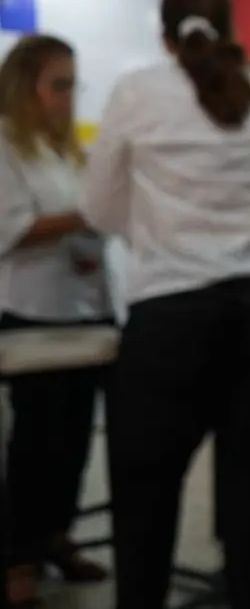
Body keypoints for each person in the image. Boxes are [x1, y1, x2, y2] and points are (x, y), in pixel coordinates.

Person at [79, 0, 250, 609]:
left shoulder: (136, 91)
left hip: (178, 312)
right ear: (233, 29)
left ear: (166, 38)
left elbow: (99, 207)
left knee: (146, 488)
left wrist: (161, 230)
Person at [0, 35, 112, 605]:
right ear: (25, 87)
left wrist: (91, 229)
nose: (69, 98)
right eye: (58, 86)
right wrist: (84, 218)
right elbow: (12, 230)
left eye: (73, 84)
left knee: (73, 441)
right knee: (35, 445)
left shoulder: (66, 148)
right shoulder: (4, 146)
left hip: (86, 310)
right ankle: (17, 558)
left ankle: (56, 538)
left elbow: (83, 218)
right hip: (32, 314)